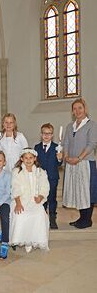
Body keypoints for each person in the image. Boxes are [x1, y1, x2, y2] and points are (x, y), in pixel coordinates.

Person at [63, 98, 97, 229]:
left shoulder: (91, 125)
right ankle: (82, 218)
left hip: (85, 162)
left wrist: (79, 157)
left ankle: (87, 220)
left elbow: (92, 144)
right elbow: (65, 142)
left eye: (80, 108)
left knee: (86, 192)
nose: (77, 111)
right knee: (78, 191)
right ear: (72, 111)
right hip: (71, 163)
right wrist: (66, 157)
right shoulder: (69, 126)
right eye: (75, 108)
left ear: (85, 109)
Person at [9, 148, 50, 253]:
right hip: (21, 199)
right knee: (21, 214)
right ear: (22, 159)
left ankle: (34, 240)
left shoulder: (40, 171)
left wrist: (40, 196)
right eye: (26, 158)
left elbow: (45, 186)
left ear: (35, 158)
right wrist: (18, 203)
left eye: (31, 158)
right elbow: (15, 187)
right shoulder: (17, 171)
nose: (28, 160)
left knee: (39, 214)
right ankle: (25, 240)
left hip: (35, 200)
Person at [34, 123, 63, 229]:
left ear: (52, 135)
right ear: (41, 134)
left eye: (49, 133)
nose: (46, 135)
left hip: (52, 177)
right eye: (44, 133)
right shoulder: (37, 147)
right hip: (40, 177)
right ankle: (42, 217)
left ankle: (52, 217)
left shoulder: (57, 147)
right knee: (42, 197)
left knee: (51, 198)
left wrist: (60, 158)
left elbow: (59, 164)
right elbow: (35, 162)